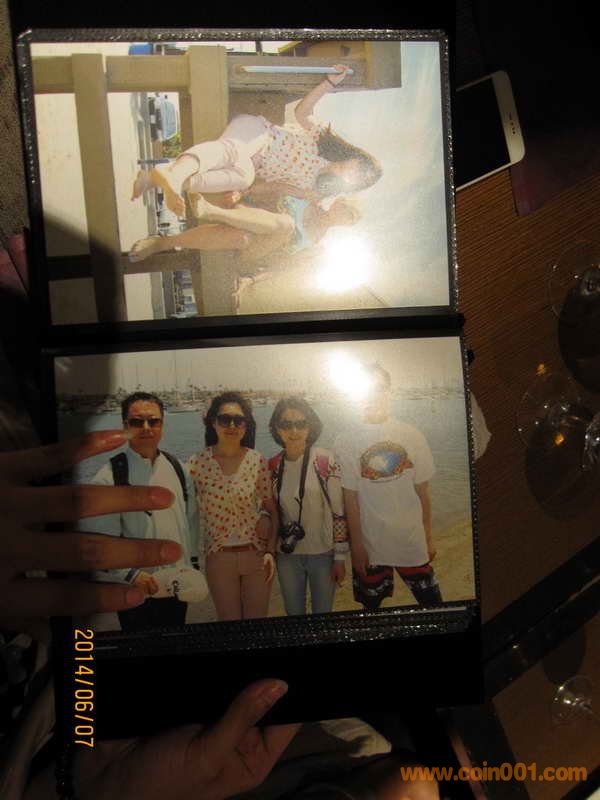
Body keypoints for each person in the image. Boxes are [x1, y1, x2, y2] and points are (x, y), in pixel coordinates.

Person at [131, 64, 382, 217]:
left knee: (243, 177)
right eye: (358, 166)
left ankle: (157, 178)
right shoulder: (322, 141)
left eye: (357, 176)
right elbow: (302, 112)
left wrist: (244, 192)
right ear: (355, 156)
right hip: (259, 134)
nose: (351, 171)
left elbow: (278, 187)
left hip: (252, 165)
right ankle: (174, 177)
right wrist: (329, 83)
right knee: (233, 149)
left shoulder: (314, 189)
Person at [78, 392, 199, 631]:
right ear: (125, 427)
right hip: (134, 589)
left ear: (162, 424)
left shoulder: (178, 468)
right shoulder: (109, 476)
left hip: (176, 584)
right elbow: (100, 542)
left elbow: (191, 521)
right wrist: (131, 575)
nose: (146, 428)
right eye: (136, 422)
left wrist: (192, 563)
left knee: (175, 645)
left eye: (153, 421)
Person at [334, 364, 443, 611]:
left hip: (411, 540)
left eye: (379, 388)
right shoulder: (346, 440)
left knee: (433, 604)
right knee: (372, 608)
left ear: (390, 391)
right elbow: (350, 499)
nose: (373, 394)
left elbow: (423, 491)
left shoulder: (411, 435)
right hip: (371, 545)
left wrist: (428, 537)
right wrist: (357, 547)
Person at [187, 392, 278, 621]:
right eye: (225, 419)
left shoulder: (257, 461)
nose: (232, 426)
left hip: (256, 555)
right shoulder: (196, 464)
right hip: (219, 559)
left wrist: (270, 551)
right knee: (229, 626)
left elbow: (272, 509)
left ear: (246, 425)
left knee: (257, 625)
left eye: (239, 420)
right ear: (212, 422)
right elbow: (184, 513)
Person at [128, 192, 360, 271]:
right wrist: (242, 193)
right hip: (250, 216)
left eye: (349, 216)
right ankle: (161, 243)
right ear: (337, 201)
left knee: (287, 226)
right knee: (239, 237)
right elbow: (271, 188)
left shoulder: (317, 245)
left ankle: (212, 211)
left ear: (347, 224)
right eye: (345, 206)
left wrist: (250, 280)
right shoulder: (308, 197)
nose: (343, 212)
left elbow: (283, 266)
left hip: (258, 250)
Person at [267, 397, 349, 616]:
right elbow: (271, 512)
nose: (294, 430)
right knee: (294, 616)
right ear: (277, 429)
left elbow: (339, 513)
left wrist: (340, 557)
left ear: (310, 426)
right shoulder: (273, 465)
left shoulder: (324, 461)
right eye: (286, 424)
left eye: (301, 423)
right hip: (287, 555)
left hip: (323, 554)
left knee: (323, 616)